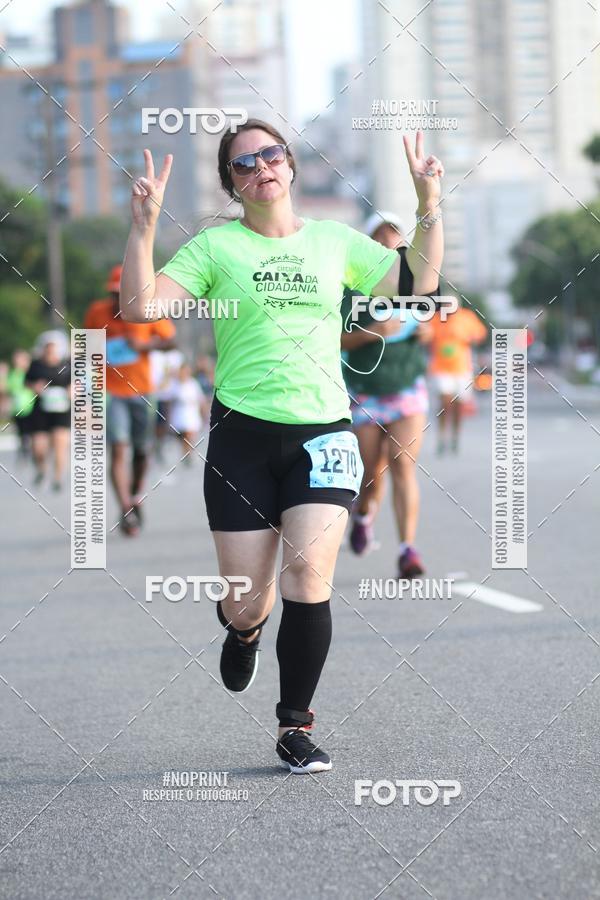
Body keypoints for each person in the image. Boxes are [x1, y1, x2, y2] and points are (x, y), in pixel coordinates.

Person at [120, 121, 443, 773]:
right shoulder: (216, 248)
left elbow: (417, 287)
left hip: (323, 430)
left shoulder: (333, 241)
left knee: (308, 577)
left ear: (291, 167)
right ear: (232, 183)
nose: (261, 166)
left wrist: (428, 204)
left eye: (272, 154)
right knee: (248, 597)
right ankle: (242, 628)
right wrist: (145, 223)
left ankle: (294, 726)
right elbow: (138, 307)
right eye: (244, 163)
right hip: (241, 440)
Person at [341, 212, 435, 578]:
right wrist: (370, 333)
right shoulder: (352, 285)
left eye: (393, 233)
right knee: (369, 473)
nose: (387, 239)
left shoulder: (416, 279)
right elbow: (333, 338)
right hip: (367, 390)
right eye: (379, 234)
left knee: (401, 464)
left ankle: (407, 550)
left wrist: (428, 332)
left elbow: (435, 321)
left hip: (407, 387)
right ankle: (364, 515)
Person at [84, 264, 177, 536]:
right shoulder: (97, 312)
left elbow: (172, 341)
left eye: (123, 294)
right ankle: (125, 508)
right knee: (119, 447)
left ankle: (135, 493)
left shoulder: (146, 313)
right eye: (114, 294)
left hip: (142, 392)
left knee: (142, 451)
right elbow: (86, 347)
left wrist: (144, 346)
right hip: (110, 392)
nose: (118, 300)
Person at [428, 296, 487, 454]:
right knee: (445, 402)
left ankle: (455, 437)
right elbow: (427, 336)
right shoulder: (436, 318)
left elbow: (480, 334)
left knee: (459, 406)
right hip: (440, 368)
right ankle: (442, 437)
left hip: (462, 369)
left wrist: (468, 337)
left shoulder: (466, 317)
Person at [25, 336, 71, 490]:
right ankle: (42, 468)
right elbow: (27, 382)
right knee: (38, 447)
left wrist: (73, 390)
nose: (51, 352)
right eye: (48, 348)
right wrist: (34, 386)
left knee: (60, 445)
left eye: (54, 348)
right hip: (41, 411)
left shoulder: (67, 364)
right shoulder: (36, 365)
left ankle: (57, 478)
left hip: (61, 410)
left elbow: (78, 383)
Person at [169, 360, 210, 460]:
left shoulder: (193, 384)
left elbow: (201, 399)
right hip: (178, 414)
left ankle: (188, 454)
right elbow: (169, 400)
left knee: (189, 434)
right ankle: (186, 451)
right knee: (181, 436)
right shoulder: (175, 384)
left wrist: (204, 414)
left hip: (191, 414)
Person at [5, 350, 36, 461]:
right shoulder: (13, 374)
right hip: (17, 408)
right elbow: (8, 389)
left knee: (31, 432)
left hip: (30, 407)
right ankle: (24, 452)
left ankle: (33, 451)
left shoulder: (30, 373)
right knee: (21, 433)